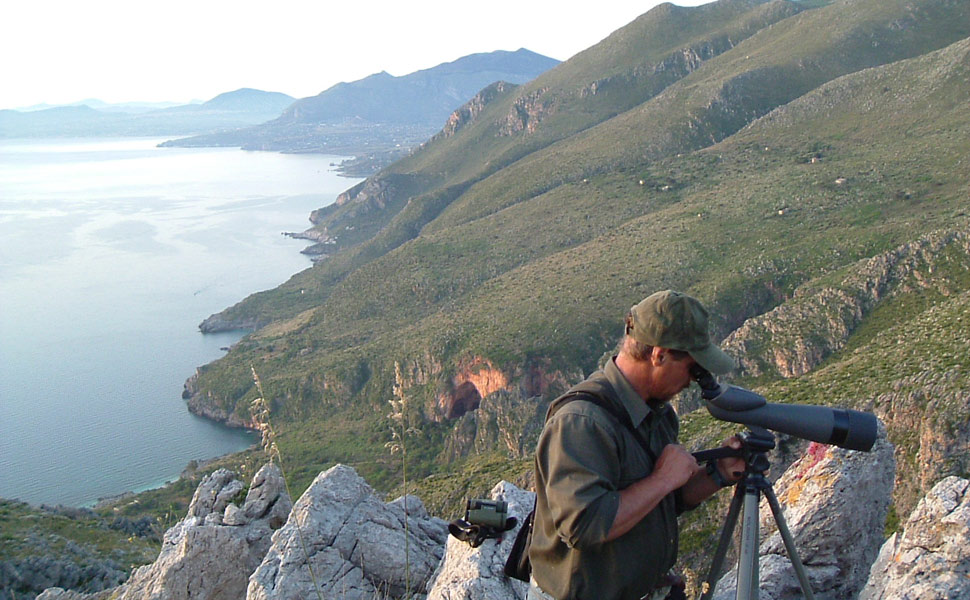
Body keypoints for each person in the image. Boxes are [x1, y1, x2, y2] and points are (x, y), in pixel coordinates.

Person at [529, 290, 746, 600]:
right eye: (692, 368)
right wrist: (663, 479)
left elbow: (659, 501)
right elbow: (584, 525)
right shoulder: (582, 423)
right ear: (659, 355)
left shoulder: (657, 413)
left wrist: (718, 474)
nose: (693, 380)